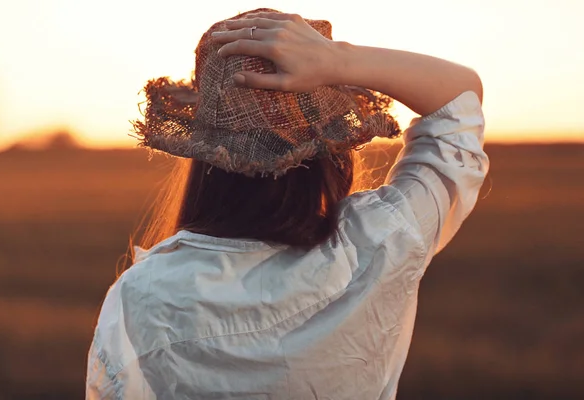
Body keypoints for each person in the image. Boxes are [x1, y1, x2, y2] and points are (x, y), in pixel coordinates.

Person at [86, 8, 489, 400]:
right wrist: (338, 60)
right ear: (330, 152)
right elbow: (459, 105)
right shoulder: (378, 242)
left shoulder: (142, 295)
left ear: (206, 152)